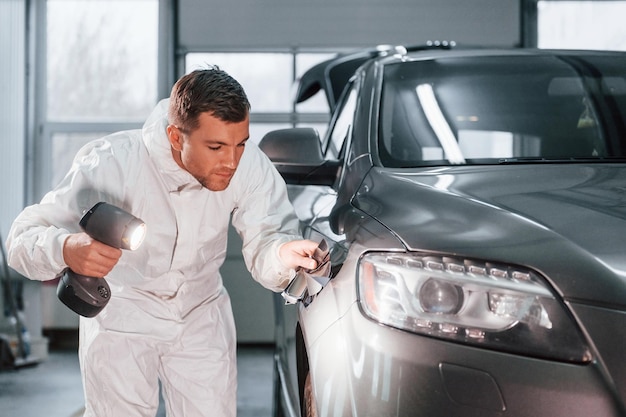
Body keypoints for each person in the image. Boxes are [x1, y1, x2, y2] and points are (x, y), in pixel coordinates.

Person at [6, 67, 319, 417]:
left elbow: (268, 234)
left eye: (240, 144)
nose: (231, 161)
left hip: (201, 314)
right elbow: (21, 239)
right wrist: (66, 249)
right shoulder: (112, 163)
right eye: (215, 146)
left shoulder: (245, 164)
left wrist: (281, 253)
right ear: (175, 136)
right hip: (122, 315)